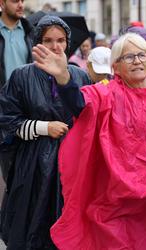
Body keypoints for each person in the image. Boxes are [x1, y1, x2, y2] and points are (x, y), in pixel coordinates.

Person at [31, 32, 146, 249]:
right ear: (115, 66)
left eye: (142, 55)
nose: (137, 61)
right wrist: (63, 79)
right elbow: (80, 103)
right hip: (119, 205)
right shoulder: (105, 94)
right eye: (128, 57)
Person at [0, 15, 91, 249]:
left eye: (61, 40)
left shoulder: (79, 75)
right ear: (38, 42)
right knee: (32, 224)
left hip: (71, 165)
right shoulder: (22, 75)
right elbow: (7, 120)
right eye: (48, 40)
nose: (55, 46)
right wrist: (43, 128)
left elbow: (89, 116)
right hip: (32, 166)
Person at [0, 0, 33, 87]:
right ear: (2, 4)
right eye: (15, 1)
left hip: (25, 96)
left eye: (22, 1)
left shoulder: (31, 32)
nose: (21, 5)